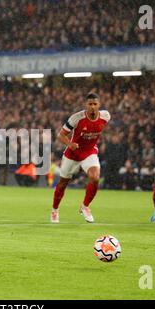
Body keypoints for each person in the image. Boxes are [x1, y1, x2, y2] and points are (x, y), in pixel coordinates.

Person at [50, 92, 111, 223]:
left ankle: (85, 206)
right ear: (86, 105)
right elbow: (61, 135)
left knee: (95, 178)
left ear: (99, 105)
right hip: (72, 154)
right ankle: (55, 210)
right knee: (62, 184)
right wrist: (69, 143)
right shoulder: (76, 118)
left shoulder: (106, 116)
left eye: (95, 104)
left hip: (89, 153)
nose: (93, 107)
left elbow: (96, 129)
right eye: (90, 104)